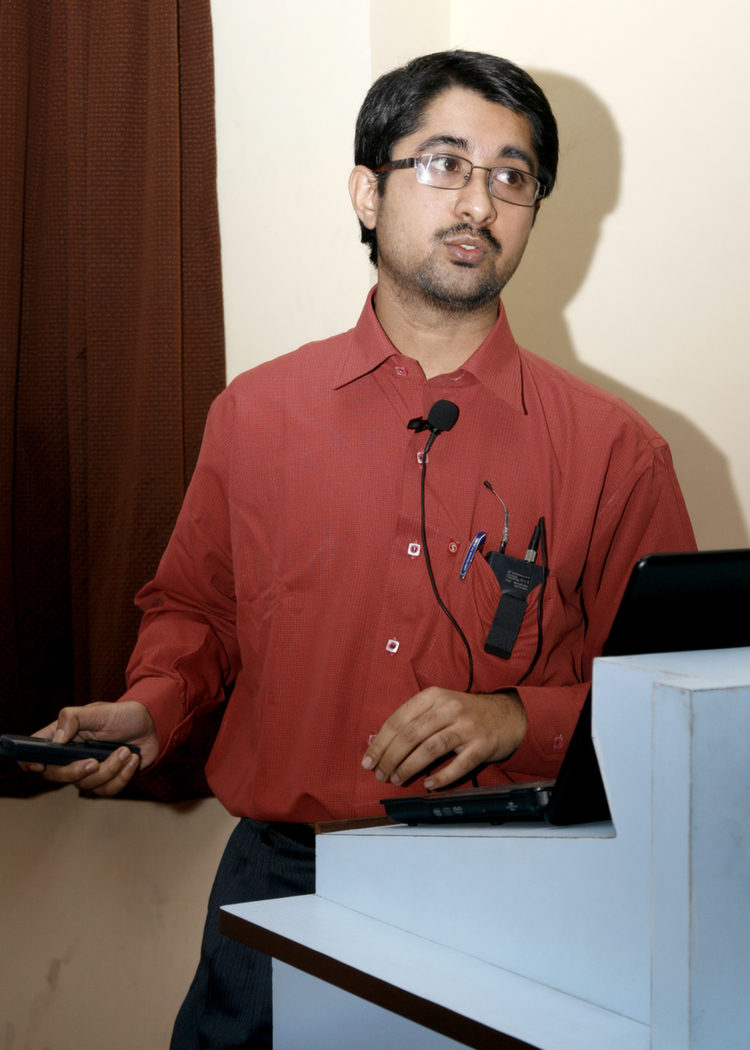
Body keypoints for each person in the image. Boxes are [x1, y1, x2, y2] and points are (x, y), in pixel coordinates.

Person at [23, 50, 695, 1047]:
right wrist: (154, 705)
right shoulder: (257, 413)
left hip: (518, 884)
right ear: (367, 193)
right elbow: (198, 611)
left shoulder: (615, 452)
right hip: (283, 880)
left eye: (512, 176)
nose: (479, 203)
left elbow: (676, 698)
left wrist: (520, 718)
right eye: (445, 163)